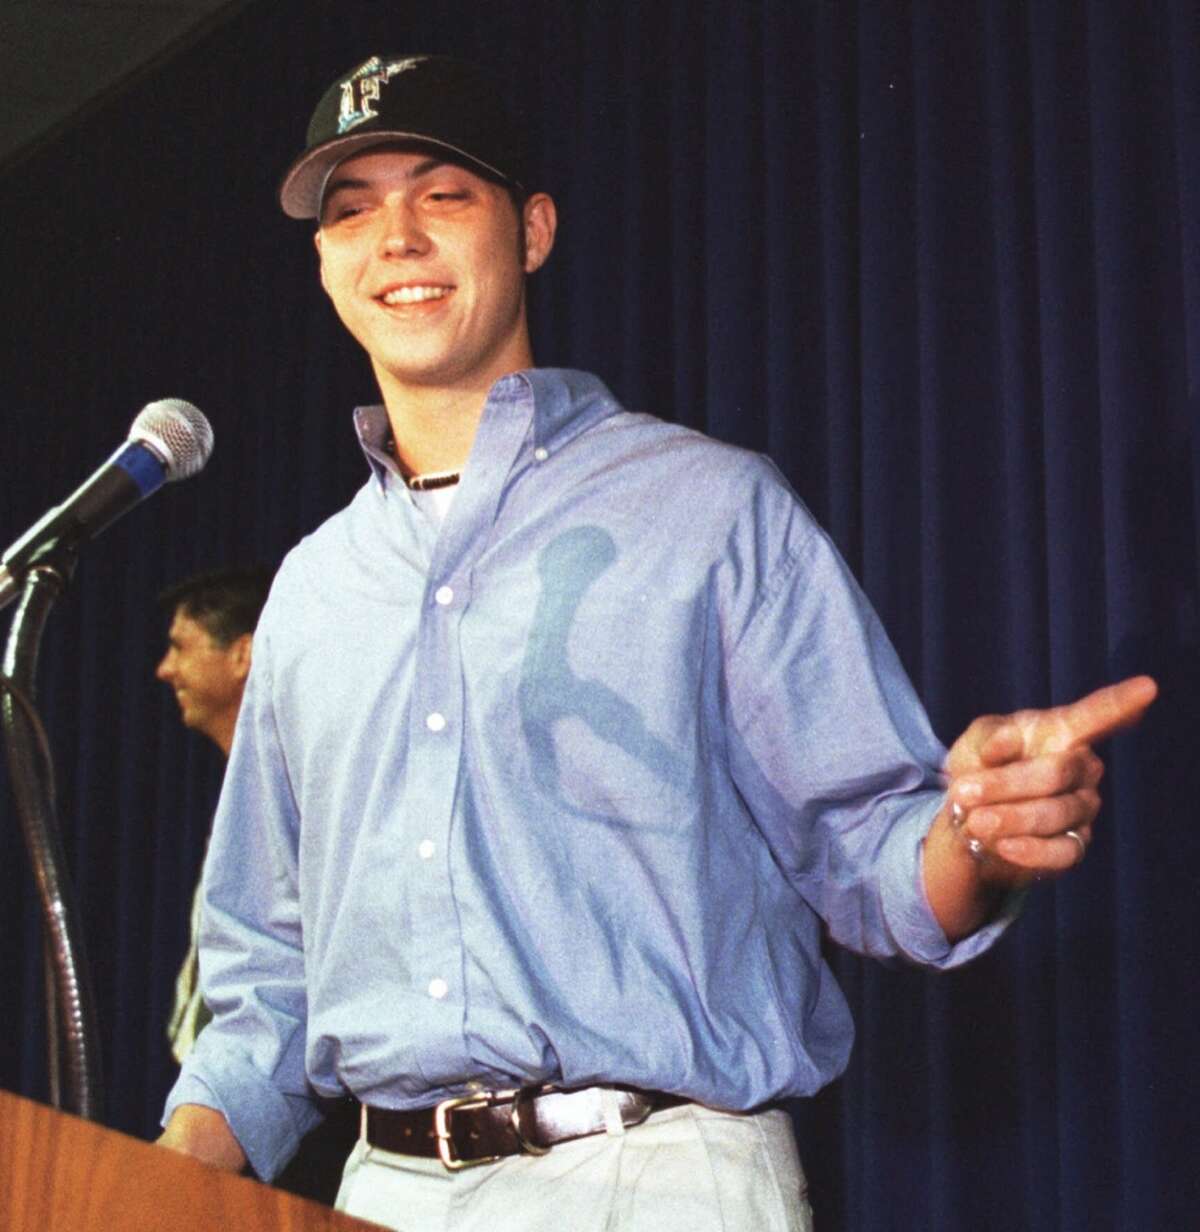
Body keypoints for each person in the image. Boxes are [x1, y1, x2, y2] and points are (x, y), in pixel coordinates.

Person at [156, 55, 1157, 1230]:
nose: (398, 237)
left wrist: (978, 836)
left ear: (531, 231)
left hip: (655, 1179)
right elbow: (267, 969)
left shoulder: (710, 509)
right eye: (353, 209)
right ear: (326, 263)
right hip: (376, 1188)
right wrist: (165, 1169)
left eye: (443, 195)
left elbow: (873, 850)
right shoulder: (317, 590)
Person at [156, 564, 357, 1203]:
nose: (164, 669)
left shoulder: (323, 786)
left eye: (180, 647)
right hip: (222, 1121)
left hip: (299, 1148)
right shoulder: (232, 807)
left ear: (243, 654)